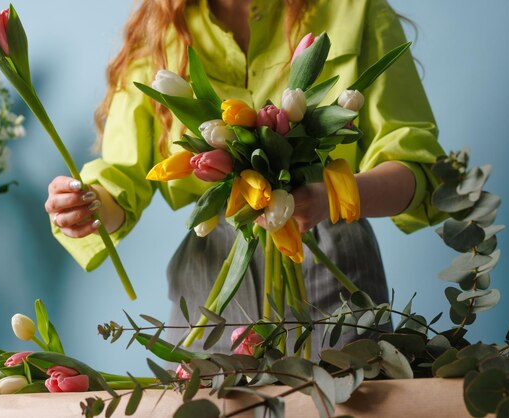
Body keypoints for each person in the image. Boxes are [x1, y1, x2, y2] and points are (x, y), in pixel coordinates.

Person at [44, 0, 445, 357]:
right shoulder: (159, 31)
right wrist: (86, 206)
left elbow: (417, 170)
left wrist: (328, 198)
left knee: (348, 399)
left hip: (333, 257)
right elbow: (121, 184)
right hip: (211, 272)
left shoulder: (355, 10)